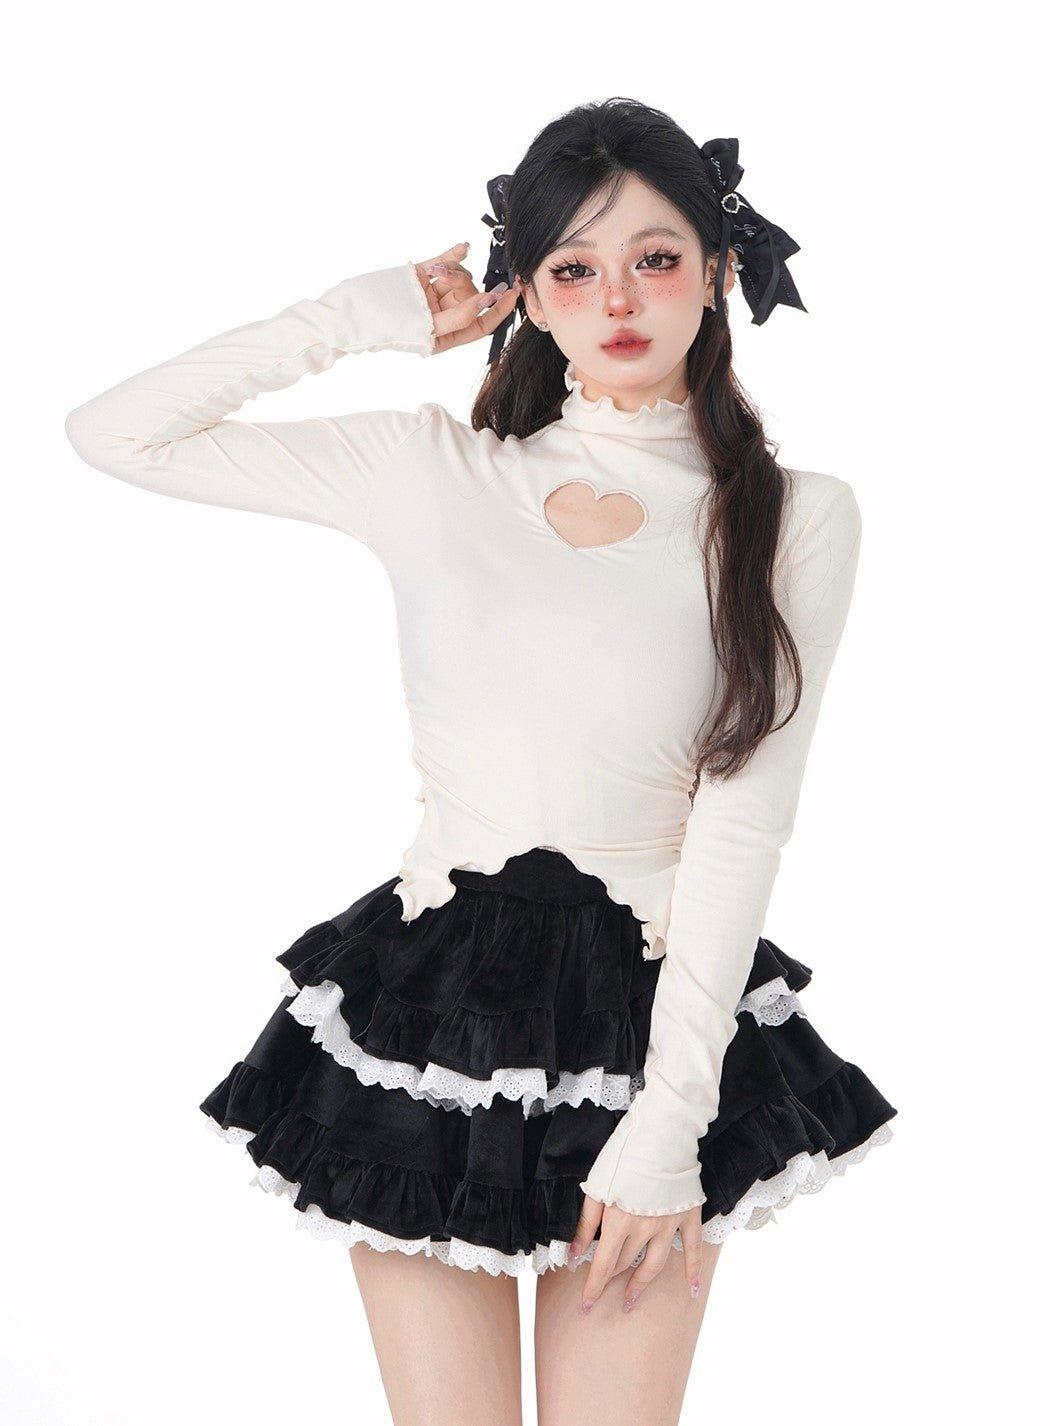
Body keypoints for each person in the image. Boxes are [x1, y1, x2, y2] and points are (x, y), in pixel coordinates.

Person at [64, 97, 897, 1426]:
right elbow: (117, 431)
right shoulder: (431, 469)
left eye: (655, 258)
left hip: (655, 1013)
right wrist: (362, 316)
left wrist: (668, 1122)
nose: (616, 299)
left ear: (718, 271)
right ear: (527, 294)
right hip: (431, 1005)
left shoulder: (793, 518)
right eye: (572, 267)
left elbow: (745, 822)